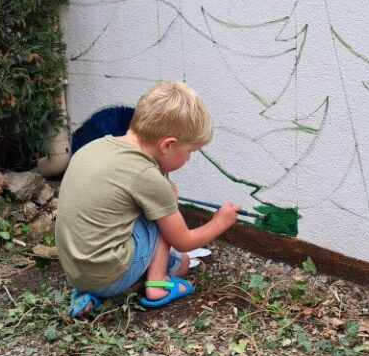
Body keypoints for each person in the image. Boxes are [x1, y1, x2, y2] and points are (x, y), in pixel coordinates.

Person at [55, 81, 240, 314]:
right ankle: (157, 286)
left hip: (76, 273)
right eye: (190, 152)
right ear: (168, 145)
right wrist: (219, 222)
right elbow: (183, 240)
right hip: (108, 275)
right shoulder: (147, 176)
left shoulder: (94, 148)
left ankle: (91, 293)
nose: (189, 159)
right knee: (181, 262)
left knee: (151, 214)